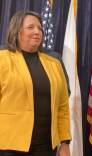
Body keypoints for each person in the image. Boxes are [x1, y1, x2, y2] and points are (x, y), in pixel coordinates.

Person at [0, 11, 71, 156]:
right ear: (17, 30)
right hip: (8, 146)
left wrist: (65, 143)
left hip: (46, 147)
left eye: (40, 28)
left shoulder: (55, 63)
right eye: (31, 27)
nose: (37, 31)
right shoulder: (2, 59)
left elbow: (62, 107)